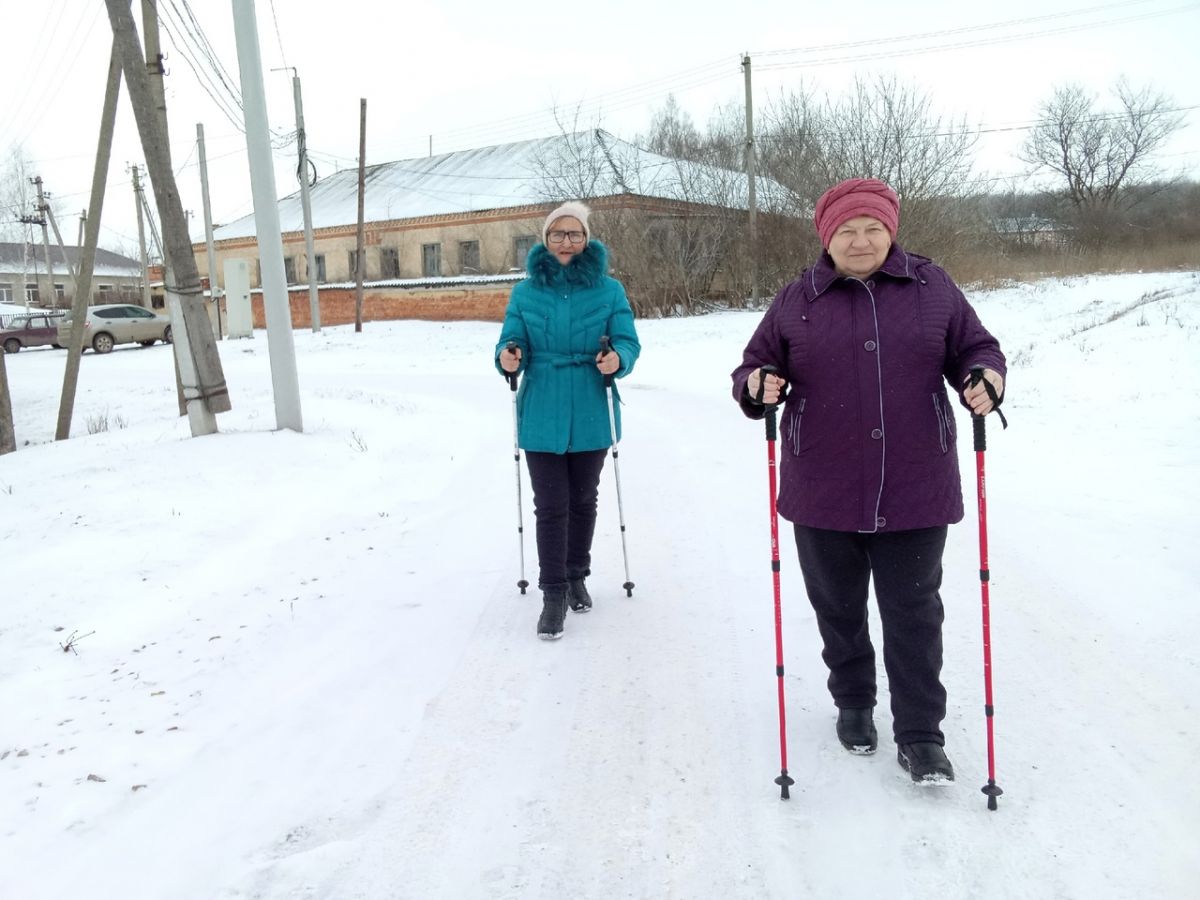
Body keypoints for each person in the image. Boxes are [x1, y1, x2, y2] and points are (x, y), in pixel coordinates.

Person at [731, 178, 1006, 784]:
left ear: (892, 230)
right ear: (826, 237)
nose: (860, 241)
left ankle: (920, 735)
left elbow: (976, 347)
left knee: (913, 612)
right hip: (822, 487)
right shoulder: (797, 298)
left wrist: (984, 375)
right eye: (846, 230)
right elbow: (754, 364)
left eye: (873, 229)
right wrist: (757, 385)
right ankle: (854, 702)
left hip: (916, 484)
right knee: (839, 608)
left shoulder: (933, 288)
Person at [496, 201, 641, 640]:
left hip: (592, 407)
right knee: (551, 505)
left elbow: (628, 342)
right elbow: (509, 340)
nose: (566, 241)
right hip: (541, 407)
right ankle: (553, 593)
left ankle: (577, 572)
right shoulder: (525, 292)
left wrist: (618, 359)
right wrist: (508, 357)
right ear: (545, 239)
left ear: (586, 239)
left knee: (583, 500)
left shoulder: (609, 290)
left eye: (574, 234)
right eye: (558, 234)